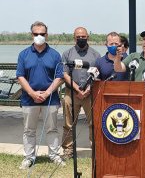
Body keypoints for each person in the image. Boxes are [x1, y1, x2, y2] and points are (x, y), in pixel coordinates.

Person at [16, 21, 65, 169]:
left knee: (52, 129)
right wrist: (32, 93)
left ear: (47, 35)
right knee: (29, 130)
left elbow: (59, 76)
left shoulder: (55, 55)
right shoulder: (23, 54)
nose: (39, 36)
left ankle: (54, 156)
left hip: (50, 99)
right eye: (36, 34)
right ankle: (29, 157)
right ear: (31, 35)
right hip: (29, 99)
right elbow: (20, 76)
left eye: (42, 34)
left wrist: (47, 92)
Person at [61, 27, 101, 159]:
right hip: (71, 93)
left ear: (88, 36)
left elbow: (97, 74)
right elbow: (65, 74)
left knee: (94, 123)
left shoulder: (95, 55)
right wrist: (77, 89)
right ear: (74, 37)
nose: (81, 39)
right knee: (68, 123)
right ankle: (68, 150)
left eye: (83, 36)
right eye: (78, 37)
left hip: (90, 94)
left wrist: (88, 89)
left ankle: (95, 149)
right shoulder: (67, 54)